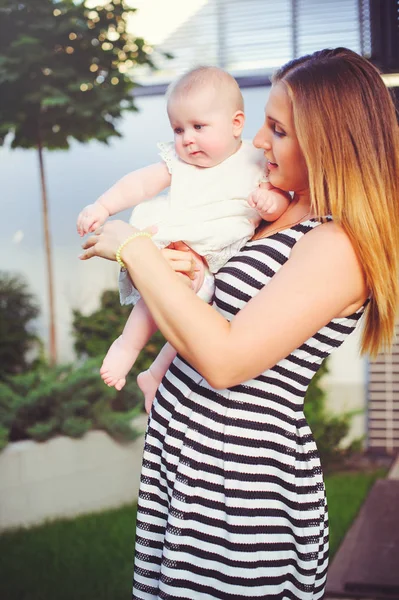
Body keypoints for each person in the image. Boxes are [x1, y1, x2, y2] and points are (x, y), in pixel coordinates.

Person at [79, 47, 399, 599]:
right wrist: (190, 271)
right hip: (187, 456)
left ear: (328, 140)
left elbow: (227, 361)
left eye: (276, 130)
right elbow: (213, 313)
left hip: (238, 477)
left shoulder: (338, 244)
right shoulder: (269, 212)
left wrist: (135, 248)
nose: (256, 142)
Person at [77, 67, 291, 402]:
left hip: (222, 245)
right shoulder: (180, 162)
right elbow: (140, 183)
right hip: (185, 239)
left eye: (198, 127)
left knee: (205, 316)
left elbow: (278, 200)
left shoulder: (256, 159)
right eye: (178, 129)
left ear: (236, 124)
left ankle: (156, 372)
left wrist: (270, 203)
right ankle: (127, 344)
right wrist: (102, 207)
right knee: (169, 290)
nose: (186, 138)